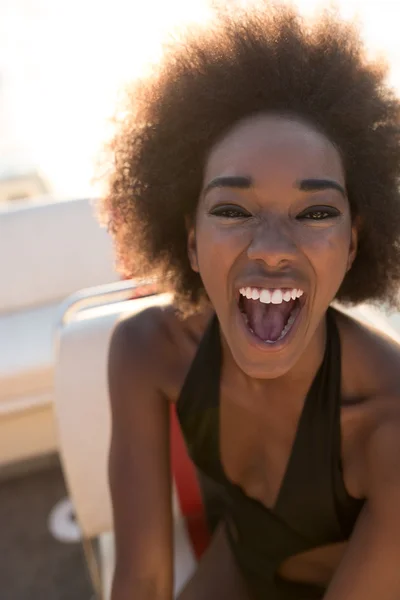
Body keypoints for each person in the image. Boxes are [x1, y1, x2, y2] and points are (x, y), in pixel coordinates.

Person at [99, 3, 400, 599]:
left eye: (315, 213)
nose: (269, 249)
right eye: (232, 210)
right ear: (190, 239)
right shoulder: (146, 351)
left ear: (352, 244)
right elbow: (142, 579)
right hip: (241, 567)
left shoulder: (388, 419)